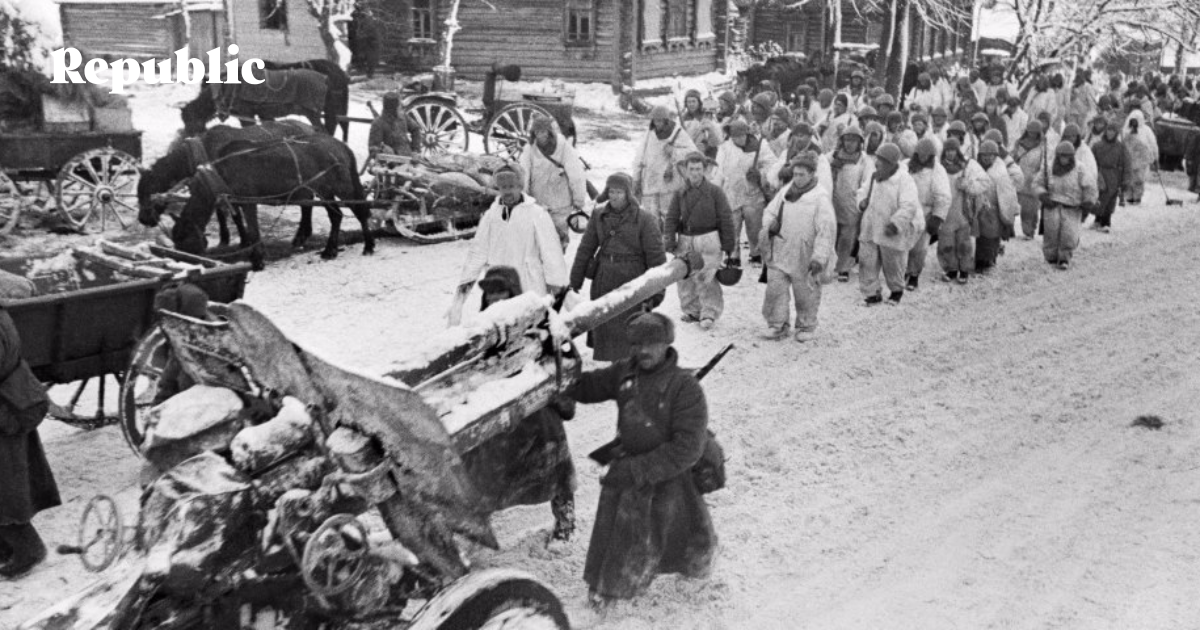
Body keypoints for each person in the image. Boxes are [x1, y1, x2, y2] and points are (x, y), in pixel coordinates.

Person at [568, 312, 717, 608]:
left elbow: (688, 448)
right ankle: (607, 589)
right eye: (637, 344)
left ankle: (694, 578)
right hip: (629, 469)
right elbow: (586, 387)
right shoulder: (625, 373)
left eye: (652, 344)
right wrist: (562, 367)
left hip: (669, 475)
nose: (643, 351)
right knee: (619, 535)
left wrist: (636, 470)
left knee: (684, 536)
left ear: (667, 344)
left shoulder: (685, 387)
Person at [459, 266, 577, 543]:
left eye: (501, 293)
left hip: (536, 411)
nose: (495, 300)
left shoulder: (540, 324)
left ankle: (566, 521)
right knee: (481, 473)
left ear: (514, 293)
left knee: (556, 467)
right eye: (490, 295)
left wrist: (557, 397)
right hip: (498, 415)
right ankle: (476, 530)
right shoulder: (480, 330)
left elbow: (566, 362)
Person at [450, 165, 568, 325]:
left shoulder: (536, 213)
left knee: (530, 327)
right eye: (503, 187)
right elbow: (477, 253)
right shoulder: (491, 216)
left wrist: (558, 291)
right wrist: (460, 298)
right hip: (498, 287)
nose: (507, 191)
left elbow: (551, 254)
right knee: (499, 327)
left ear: (520, 186)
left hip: (529, 285)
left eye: (511, 186)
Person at [569, 173, 667, 361]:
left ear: (628, 194)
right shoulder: (598, 215)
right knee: (605, 328)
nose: (614, 196)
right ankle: (611, 369)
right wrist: (575, 281)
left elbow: (656, 259)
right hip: (604, 279)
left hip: (632, 281)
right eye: (611, 191)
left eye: (619, 192)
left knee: (630, 331)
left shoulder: (645, 219)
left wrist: (656, 294)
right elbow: (585, 249)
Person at [1, 304, 60, 578]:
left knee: (5, 487)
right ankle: (6, 548)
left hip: (7, 409)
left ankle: (29, 549)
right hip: (12, 401)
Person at [759, 152, 836, 341]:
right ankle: (777, 325)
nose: (798, 178)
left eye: (802, 174)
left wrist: (819, 257)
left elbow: (826, 230)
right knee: (775, 289)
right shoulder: (785, 192)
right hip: (781, 249)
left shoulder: (820, 197)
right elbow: (769, 211)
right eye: (795, 174)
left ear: (811, 174)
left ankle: (806, 325)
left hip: (804, 253)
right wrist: (770, 225)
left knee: (806, 292)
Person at [665, 152, 737, 331]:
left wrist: (729, 244)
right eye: (691, 169)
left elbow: (726, 218)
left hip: (709, 238)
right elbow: (671, 217)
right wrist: (669, 239)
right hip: (686, 238)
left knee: (707, 275)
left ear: (704, 170)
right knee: (684, 276)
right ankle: (691, 310)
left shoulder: (715, 192)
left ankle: (709, 312)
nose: (695, 173)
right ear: (686, 170)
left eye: (698, 169)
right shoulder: (680, 193)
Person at [856, 142, 921, 306]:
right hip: (870, 226)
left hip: (890, 229)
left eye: (882, 160)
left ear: (891, 163)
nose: (877, 163)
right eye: (877, 159)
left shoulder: (904, 180)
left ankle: (896, 291)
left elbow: (909, 205)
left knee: (893, 262)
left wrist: (896, 223)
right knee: (867, 260)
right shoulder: (874, 176)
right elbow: (862, 191)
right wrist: (861, 202)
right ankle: (872, 293)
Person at [712, 120, 778, 267]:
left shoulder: (760, 146)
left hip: (753, 193)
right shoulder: (724, 148)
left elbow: (773, 165)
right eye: (735, 136)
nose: (739, 139)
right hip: (731, 193)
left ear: (747, 134)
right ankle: (733, 255)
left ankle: (756, 253)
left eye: (741, 136)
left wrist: (760, 174)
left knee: (754, 225)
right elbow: (718, 171)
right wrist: (716, 192)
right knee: (732, 226)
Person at [519, 114, 588, 250]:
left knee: (560, 239)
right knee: (538, 240)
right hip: (538, 203)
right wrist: (524, 198)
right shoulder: (529, 150)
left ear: (549, 131)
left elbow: (576, 175)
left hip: (561, 203)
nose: (540, 135)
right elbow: (524, 174)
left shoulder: (564, 148)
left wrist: (578, 199)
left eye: (543, 131)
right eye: (537, 131)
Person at [633, 106, 699, 230]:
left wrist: (674, 151)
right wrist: (636, 177)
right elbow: (640, 156)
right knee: (650, 218)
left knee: (668, 216)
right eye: (654, 120)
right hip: (650, 181)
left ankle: (669, 240)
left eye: (659, 121)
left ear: (666, 121)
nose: (656, 124)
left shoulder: (678, 133)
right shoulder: (649, 133)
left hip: (669, 182)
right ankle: (654, 240)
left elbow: (693, 153)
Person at [1037, 141, 1098, 269]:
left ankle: (1064, 258)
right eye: (1061, 156)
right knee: (1051, 233)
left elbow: (1090, 186)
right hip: (1052, 204)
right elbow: (1038, 183)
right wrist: (1043, 195)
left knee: (1069, 235)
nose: (1064, 159)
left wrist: (1088, 201)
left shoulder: (1080, 169)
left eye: (1067, 156)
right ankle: (1050, 258)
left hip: (1072, 207)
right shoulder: (1049, 168)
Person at [937, 137, 988, 283]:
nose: (950, 153)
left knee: (964, 243)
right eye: (947, 150)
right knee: (946, 243)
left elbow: (985, 182)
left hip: (963, 210)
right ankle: (951, 269)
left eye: (953, 150)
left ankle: (964, 270)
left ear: (958, 151)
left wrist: (967, 185)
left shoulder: (968, 166)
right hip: (945, 212)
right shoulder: (938, 168)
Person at [829, 126, 875, 282]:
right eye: (847, 140)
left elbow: (868, 181)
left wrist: (862, 199)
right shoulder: (832, 156)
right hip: (833, 200)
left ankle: (843, 267)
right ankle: (829, 266)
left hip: (852, 204)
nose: (849, 143)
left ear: (859, 143)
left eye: (853, 140)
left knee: (848, 237)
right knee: (831, 233)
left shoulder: (864, 160)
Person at [905, 138, 951, 291]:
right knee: (903, 244)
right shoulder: (906, 166)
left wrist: (937, 217)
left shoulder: (937, 171)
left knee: (919, 248)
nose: (923, 157)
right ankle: (902, 271)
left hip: (925, 212)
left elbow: (943, 196)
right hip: (906, 210)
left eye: (927, 154)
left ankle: (914, 275)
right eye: (920, 154)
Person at [975, 140, 1021, 273]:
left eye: (990, 155)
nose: (987, 158)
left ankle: (988, 260)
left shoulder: (1000, 173)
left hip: (994, 210)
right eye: (984, 155)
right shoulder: (975, 168)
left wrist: (1008, 215)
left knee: (991, 236)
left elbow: (1007, 194)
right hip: (978, 208)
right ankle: (979, 259)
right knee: (979, 237)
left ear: (995, 156)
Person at [1089, 116, 1128, 233]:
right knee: (1100, 198)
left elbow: (1126, 164)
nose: (1110, 133)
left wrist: (1125, 180)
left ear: (1116, 133)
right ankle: (1097, 219)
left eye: (1113, 131)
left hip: (1114, 175)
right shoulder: (1097, 146)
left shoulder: (1121, 147)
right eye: (1109, 130)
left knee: (1111, 199)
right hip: (1100, 174)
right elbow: (1091, 161)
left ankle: (1106, 222)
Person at [1012, 120, 1050, 239]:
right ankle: (1010, 229)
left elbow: (1045, 163)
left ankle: (1029, 231)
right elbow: (1013, 158)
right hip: (1019, 176)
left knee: (1031, 209)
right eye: (1030, 132)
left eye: (1035, 132)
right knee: (1016, 205)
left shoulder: (1043, 146)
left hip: (1034, 179)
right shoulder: (1019, 143)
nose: (1032, 134)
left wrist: (1039, 177)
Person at [1120, 109, 1159, 205]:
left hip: (1142, 160)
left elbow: (1153, 144)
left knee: (1139, 179)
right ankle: (1128, 197)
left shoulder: (1146, 130)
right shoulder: (1125, 130)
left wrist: (1155, 157)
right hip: (1128, 159)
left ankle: (1137, 196)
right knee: (1128, 178)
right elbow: (1120, 143)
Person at [368, 92, 420, 157]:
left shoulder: (403, 117)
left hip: (408, 157)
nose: (401, 107)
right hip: (389, 161)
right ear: (393, 108)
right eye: (399, 105)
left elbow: (416, 129)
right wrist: (382, 150)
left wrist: (415, 150)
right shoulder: (378, 123)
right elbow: (372, 149)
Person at [681, 89, 724, 160]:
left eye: (693, 101)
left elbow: (718, 138)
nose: (691, 104)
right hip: (691, 152)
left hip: (710, 152)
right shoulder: (684, 119)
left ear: (699, 102)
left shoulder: (707, 115)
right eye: (689, 102)